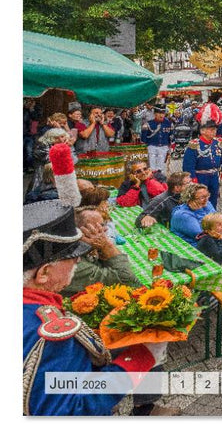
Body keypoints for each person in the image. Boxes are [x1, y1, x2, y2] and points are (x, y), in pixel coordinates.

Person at [23, 200, 161, 415]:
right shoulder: (51, 334)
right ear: (44, 273)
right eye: (72, 256)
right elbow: (71, 412)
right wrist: (141, 357)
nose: (78, 260)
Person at [61, 207, 139, 296]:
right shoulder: (72, 263)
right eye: (97, 228)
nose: (105, 230)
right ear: (80, 233)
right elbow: (127, 280)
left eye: (103, 225)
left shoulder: (86, 249)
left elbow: (135, 282)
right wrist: (108, 246)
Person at [182, 118, 222, 209]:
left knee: (213, 199)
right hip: (200, 176)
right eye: (211, 129)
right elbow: (188, 165)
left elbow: (221, 158)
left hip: (214, 176)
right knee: (200, 200)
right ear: (202, 131)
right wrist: (192, 179)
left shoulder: (217, 142)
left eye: (215, 129)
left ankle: (212, 215)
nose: (214, 131)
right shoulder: (194, 145)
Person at [140, 105, 173, 173]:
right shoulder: (149, 124)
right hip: (152, 147)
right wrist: (144, 130)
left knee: (161, 168)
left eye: (163, 113)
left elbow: (171, 136)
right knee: (152, 167)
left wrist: (170, 148)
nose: (161, 115)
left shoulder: (168, 123)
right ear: (155, 114)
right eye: (159, 113)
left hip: (163, 147)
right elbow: (143, 139)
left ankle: (160, 179)